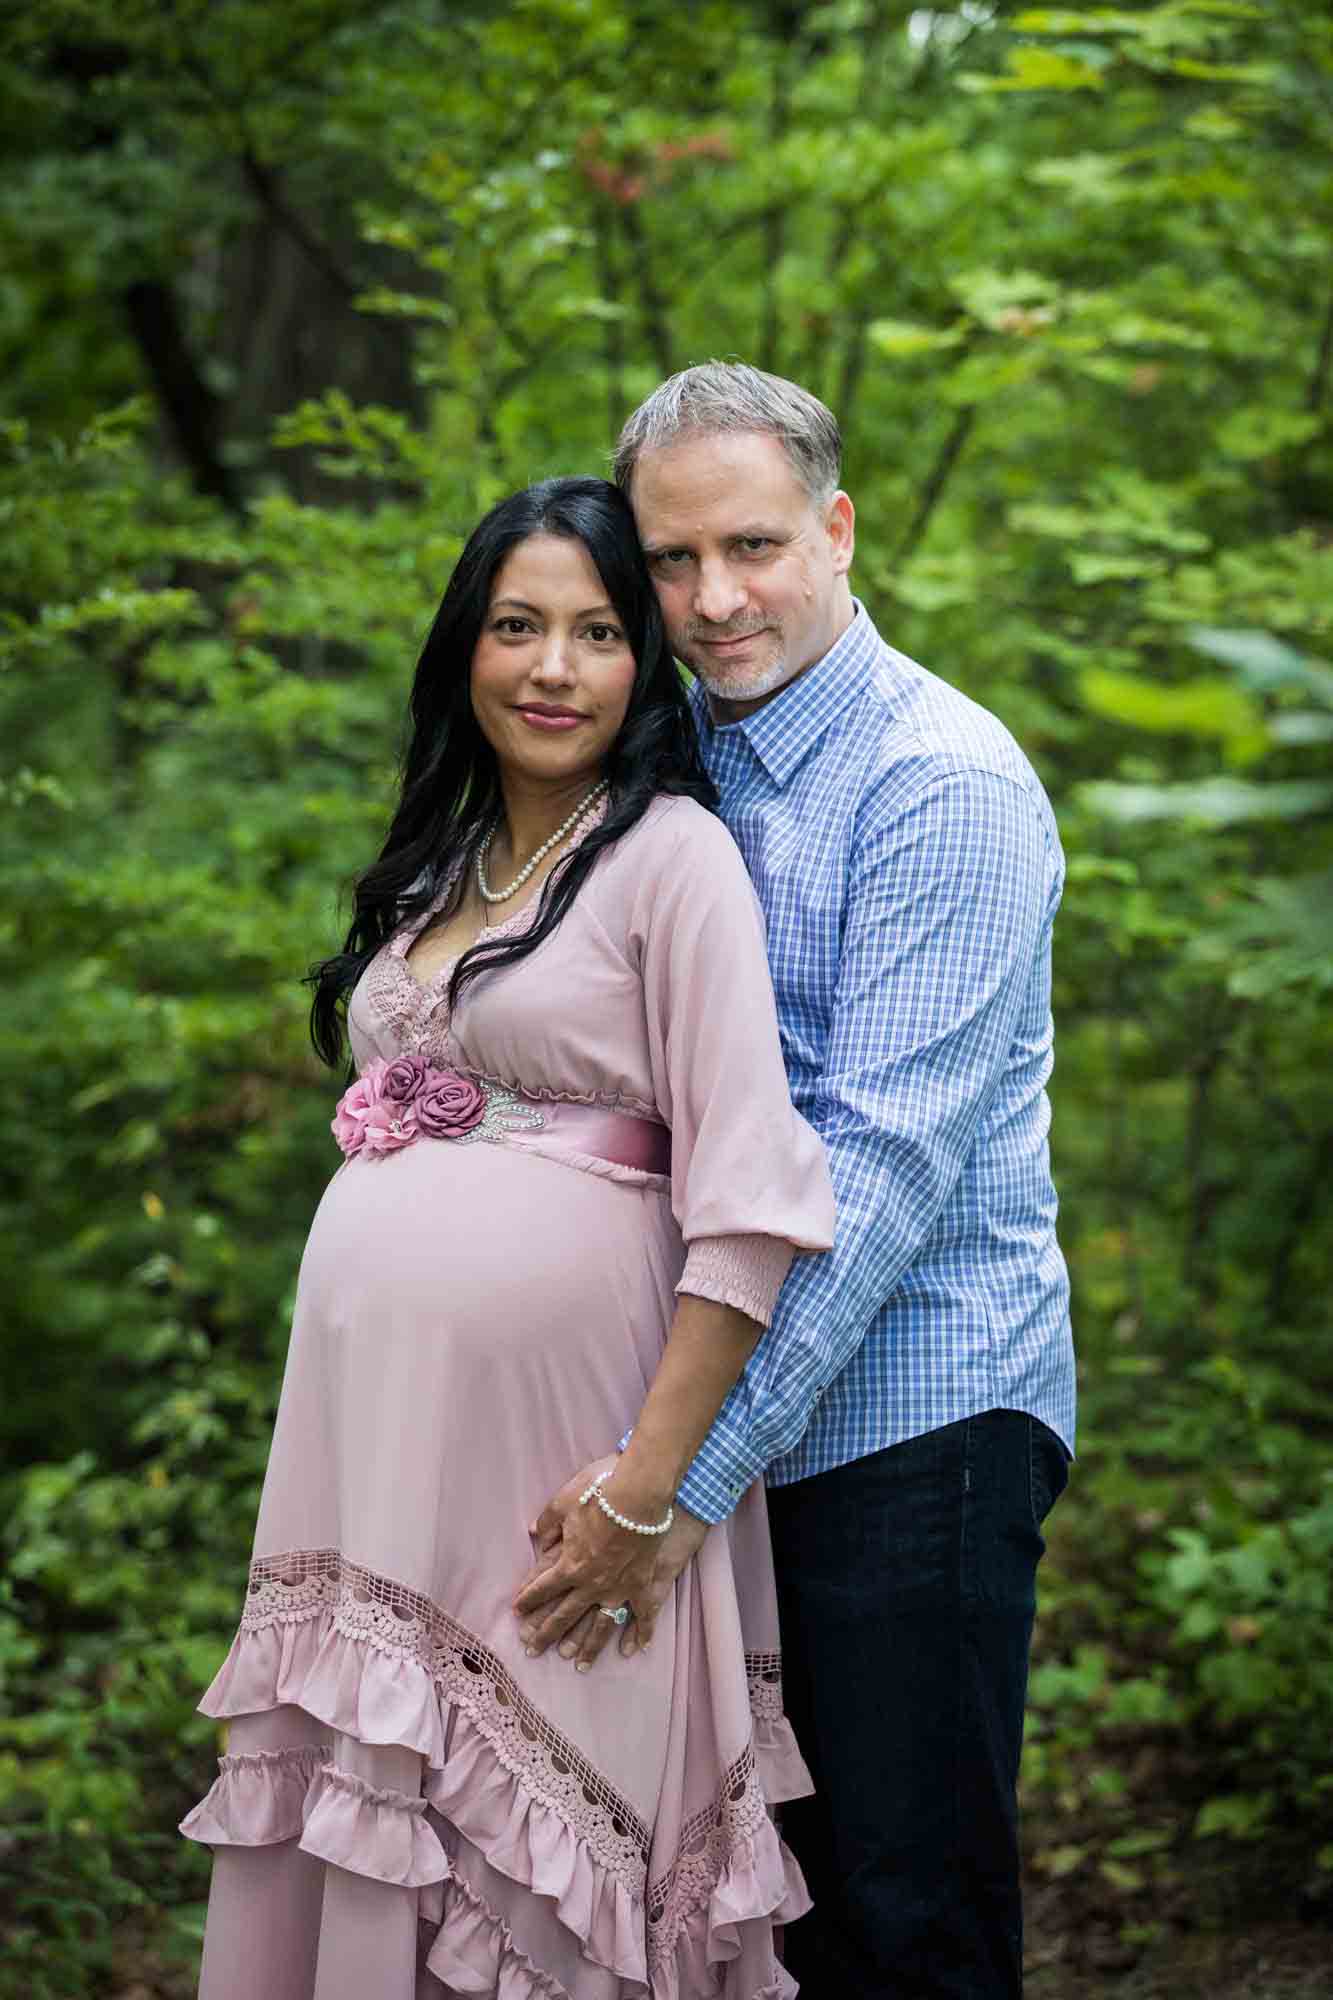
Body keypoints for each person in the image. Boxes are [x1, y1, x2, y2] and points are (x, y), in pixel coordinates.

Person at [179, 475, 835, 2000]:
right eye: (516, 627)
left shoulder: (674, 859)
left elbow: (749, 1205)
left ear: (644, 663)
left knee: (538, 1848)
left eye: (599, 633)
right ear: (461, 650)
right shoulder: (435, 864)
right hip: (374, 1460)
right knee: (371, 1815)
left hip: (566, 1466)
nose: (552, 668)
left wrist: (647, 1487)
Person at [514, 369, 1077, 1999]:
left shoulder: (937, 785)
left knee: (899, 1912)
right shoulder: (667, 751)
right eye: (671, 563)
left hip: (910, 1425)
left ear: (836, 528)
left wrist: (671, 1486)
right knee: (744, 1911)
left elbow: (872, 1184)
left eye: (750, 546)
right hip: (701, 1417)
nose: (712, 600)